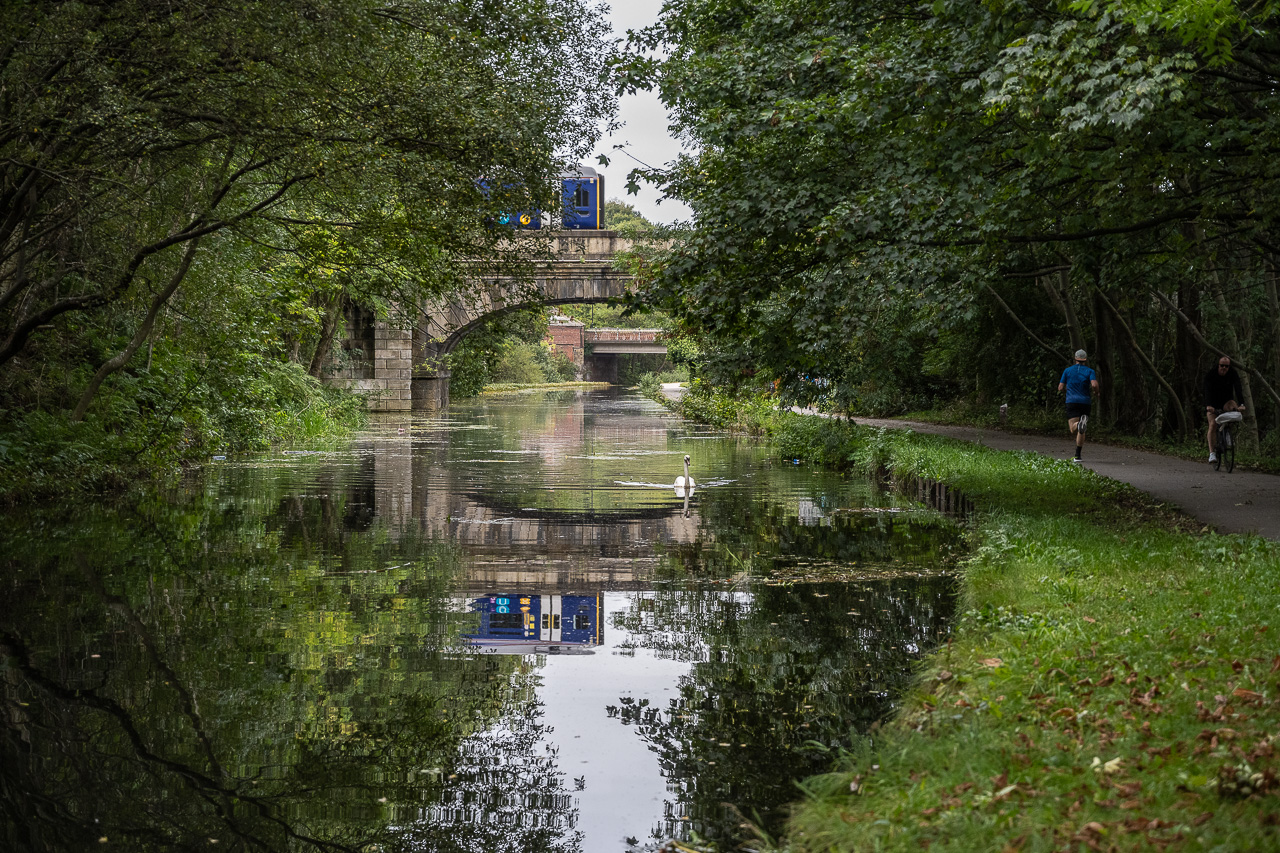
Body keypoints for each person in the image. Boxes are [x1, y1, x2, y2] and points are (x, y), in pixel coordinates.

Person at [1058, 350, 1099, 462]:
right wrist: (1096, 392)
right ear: (1085, 359)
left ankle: (1078, 423)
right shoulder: (1090, 371)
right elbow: (1094, 384)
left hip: (1072, 401)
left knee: (1073, 428)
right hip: (1085, 402)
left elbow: (1060, 387)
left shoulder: (1068, 371)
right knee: (1082, 429)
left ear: (1075, 358)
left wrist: (1067, 390)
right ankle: (1077, 455)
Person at [1202, 356, 1245, 464]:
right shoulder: (1211, 374)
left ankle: (1227, 433)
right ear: (1218, 365)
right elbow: (1206, 390)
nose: (1224, 368)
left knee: (1233, 408)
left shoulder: (1232, 373)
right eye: (1222, 366)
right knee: (1212, 424)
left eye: (1226, 366)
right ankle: (1212, 453)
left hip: (1226, 401)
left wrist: (1241, 404)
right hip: (1212, 403)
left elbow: (1238, 388)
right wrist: (1208, 405)